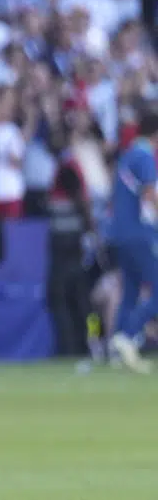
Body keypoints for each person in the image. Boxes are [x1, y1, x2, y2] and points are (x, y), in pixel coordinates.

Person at [105, 111, 158, 373]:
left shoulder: (126, 156)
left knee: (130, 292)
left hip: (121, 233)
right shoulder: (145, 156)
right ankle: (128, 337)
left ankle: (116, 350)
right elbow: (150, 194)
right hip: (140, 234)